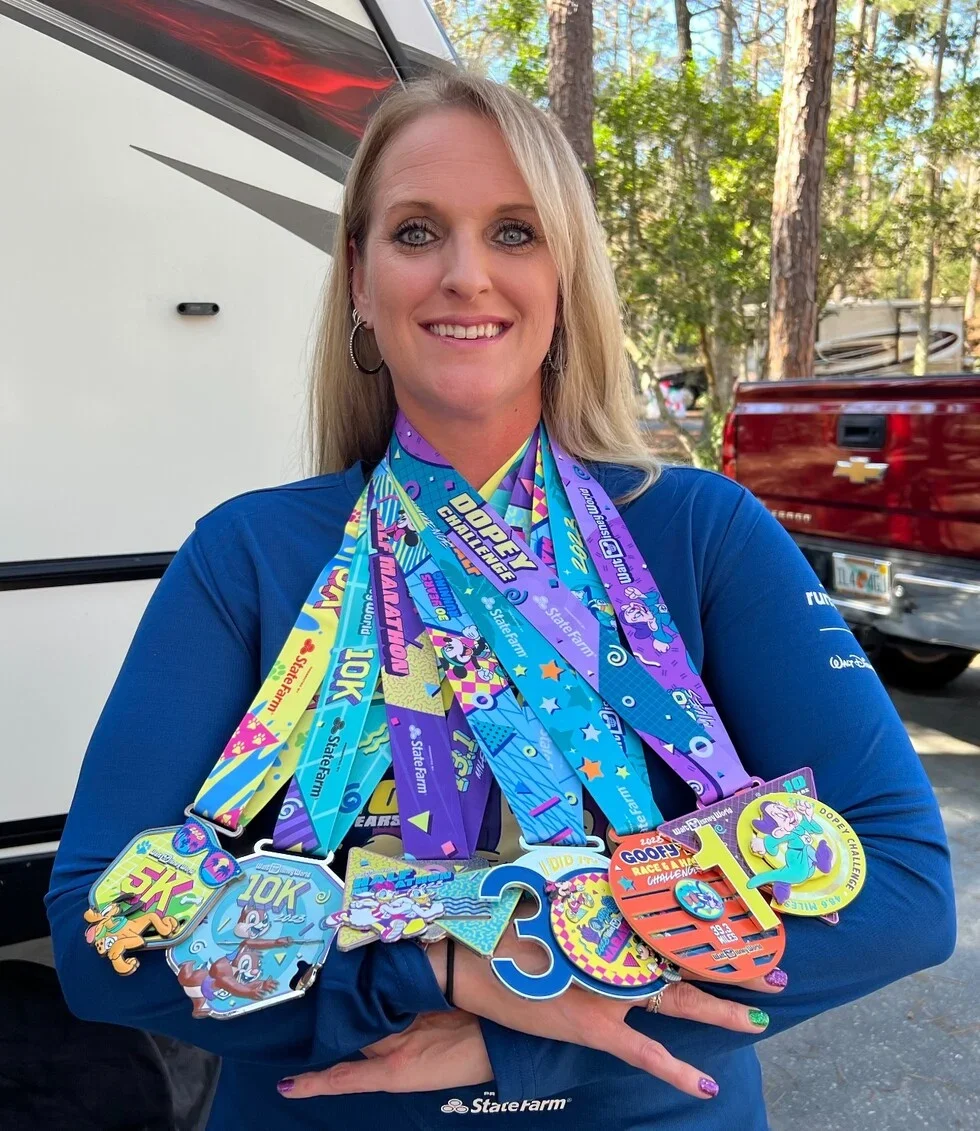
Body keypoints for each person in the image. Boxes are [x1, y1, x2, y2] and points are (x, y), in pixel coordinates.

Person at [47, 70, 955, 1130]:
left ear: (566, 274)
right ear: (356, 276)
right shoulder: (247, 552)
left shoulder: (701, 533)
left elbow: (898, 893)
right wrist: (436, 972)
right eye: (418, 230)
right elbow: (93, 940)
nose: (465, 274)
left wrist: (510, 1027)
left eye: (515, 232)